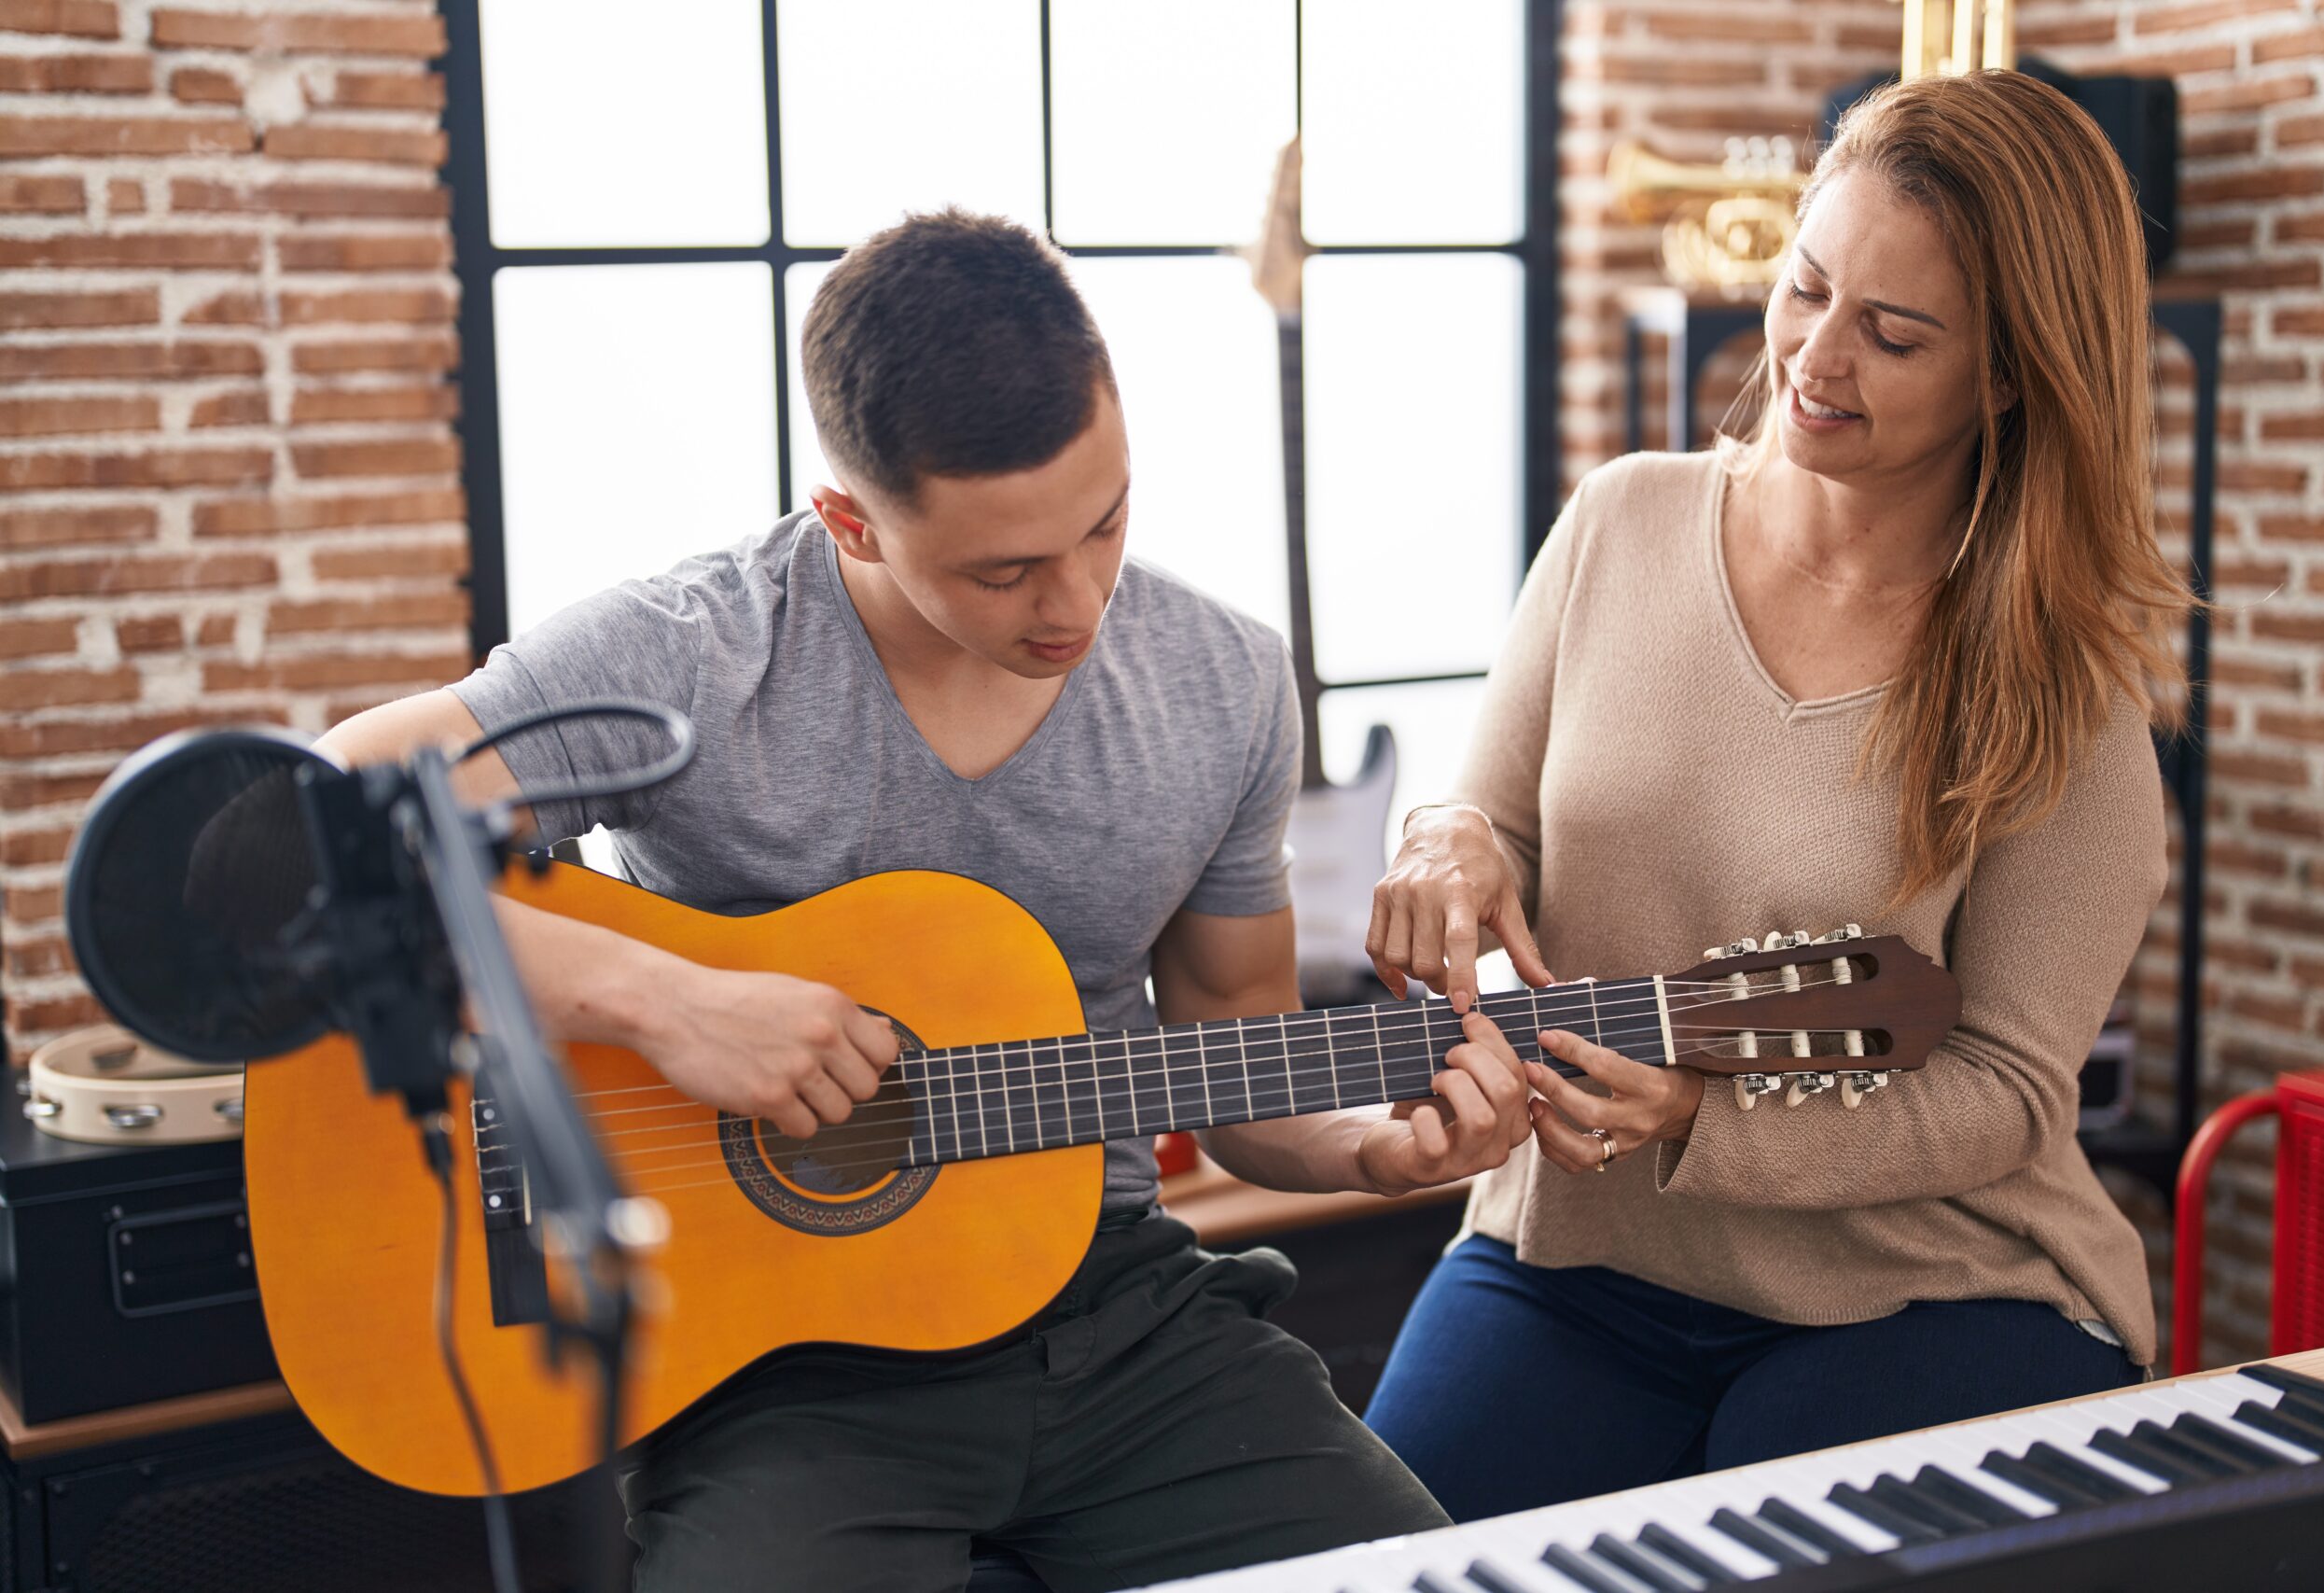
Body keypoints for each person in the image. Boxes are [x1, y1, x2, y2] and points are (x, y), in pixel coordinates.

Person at [317, 210, 1530, 1591]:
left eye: (1106, 520)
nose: (1074, 600)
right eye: (1001, 570)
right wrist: (660, 1002)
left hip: (1114, 1314)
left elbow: (1244, 1074)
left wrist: (1376, 1152)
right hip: (788, 1377)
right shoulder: (695, 656)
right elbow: (295, 841)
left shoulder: (1227, 684)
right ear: (852, 519)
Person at [1357, 71, 2196, 1524]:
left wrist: (1698, 1116)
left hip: (1932, 1284)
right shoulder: (1623, 519)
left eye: (1896, 333)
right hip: (1578, 1258)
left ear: (2007, 375)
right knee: (1390, 1554)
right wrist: (1446, 844)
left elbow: (2003, 1090)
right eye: (1807, 287)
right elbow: (1487, 814)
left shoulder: (2062, 685)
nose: (1817, 356)